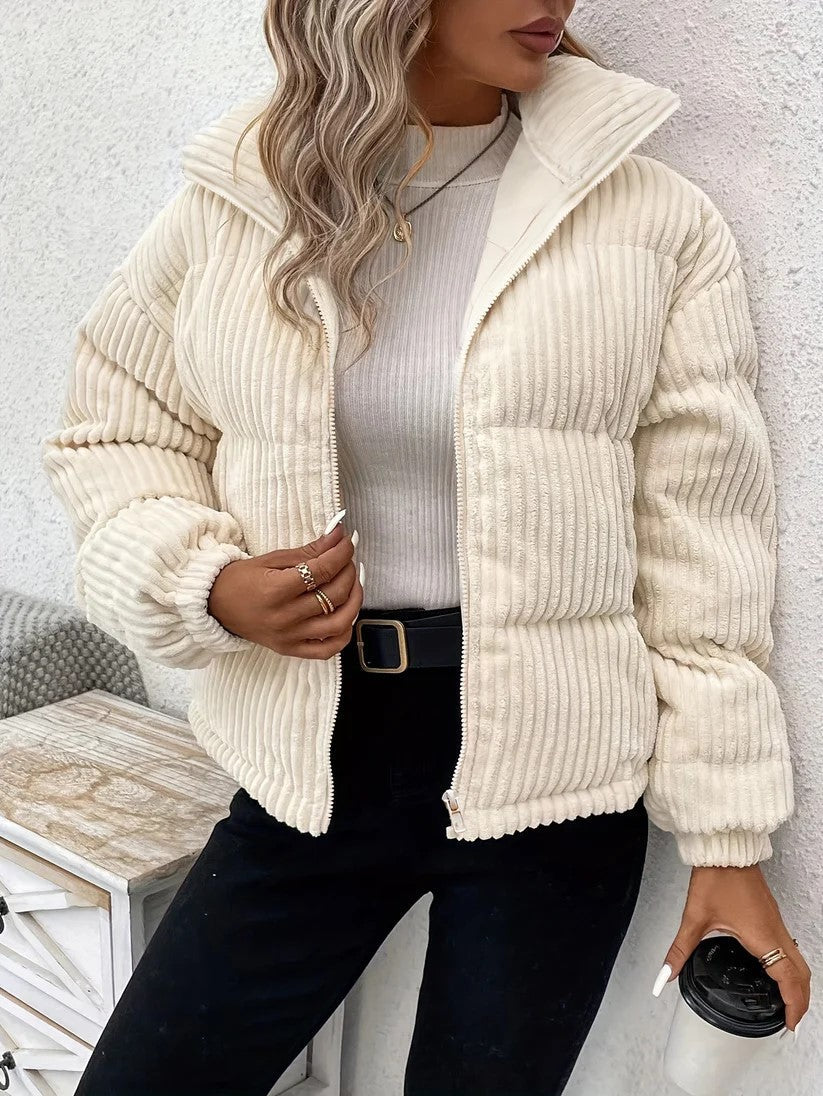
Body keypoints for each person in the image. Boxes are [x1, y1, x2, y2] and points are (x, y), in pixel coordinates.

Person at [41, 2, 811, 1093]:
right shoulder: (239, 205)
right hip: (313, 760)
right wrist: (202, 582)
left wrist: (728, 842)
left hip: (557, 781)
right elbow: (117, 432)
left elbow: (701, 549)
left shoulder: (647, 220)